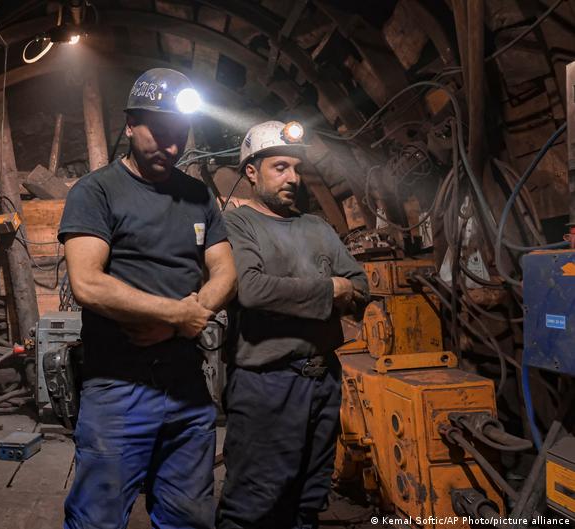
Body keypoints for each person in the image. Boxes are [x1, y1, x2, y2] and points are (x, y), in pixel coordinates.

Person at [58, 68, 237, 529]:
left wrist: (186, 318)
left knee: (190, 518)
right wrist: (176, 313)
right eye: (159, 133)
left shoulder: (197, 195)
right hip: (119, 386)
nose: (172, 148)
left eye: (179, 136)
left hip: (186, 385)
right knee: (97, 519)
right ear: (130, 124)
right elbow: (88, 282)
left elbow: (225, 270)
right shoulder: (96, 191)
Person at [215, 120, 369, 529]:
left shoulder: (316, 227)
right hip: (267, 384)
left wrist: (329, 289)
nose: (293, 178)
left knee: (309, 500)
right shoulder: (239, 224)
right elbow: (252, 289)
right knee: (253, 504)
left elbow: (360, 285)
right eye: (280, 167)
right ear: (252, 172)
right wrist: (328, 290)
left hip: (323, 381)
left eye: (297, 169)